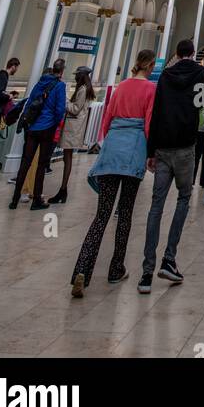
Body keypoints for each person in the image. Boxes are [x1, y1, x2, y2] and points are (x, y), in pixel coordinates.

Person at [70, 49, 156, 297]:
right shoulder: (150, 89)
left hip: (112, 149)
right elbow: (149, 123)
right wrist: (151, 153)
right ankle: (115, 267)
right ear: (149, 65)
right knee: (125, 213)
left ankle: (82, 269)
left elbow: (107, 120)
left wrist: (107, 143)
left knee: (101, 215)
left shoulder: (120, 88)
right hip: (133, 151)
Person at [138, 39, 204, 293]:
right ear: (192, 53)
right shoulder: (201, 73)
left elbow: (155, 113)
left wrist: (151, 150)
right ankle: (169, 258)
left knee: (155, 207)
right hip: (185, 147)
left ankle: (147, 273)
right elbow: (202, 106)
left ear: (178, 54)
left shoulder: (166, 76)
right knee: (183, 198)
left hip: (162, 147)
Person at [9, 59, 67, 211]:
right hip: (47, 128)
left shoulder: (39, 83)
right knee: (41, 164)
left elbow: (29, 103)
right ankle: (36, 199)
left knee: (26, 163)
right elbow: (60, 109)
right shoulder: (60, 85)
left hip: (33, 128)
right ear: (61, 71)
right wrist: (54, 123)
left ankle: (14, 200)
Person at [48, 66, 94, 204]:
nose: (75, 77)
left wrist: (65, 101)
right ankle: (63, 189)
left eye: (77, 75)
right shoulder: (83, 89)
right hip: (72, 128)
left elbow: (75, 109)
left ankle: (63, 189)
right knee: (67, 158)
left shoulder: (83, 90)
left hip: (73, 129)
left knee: (67, 158)